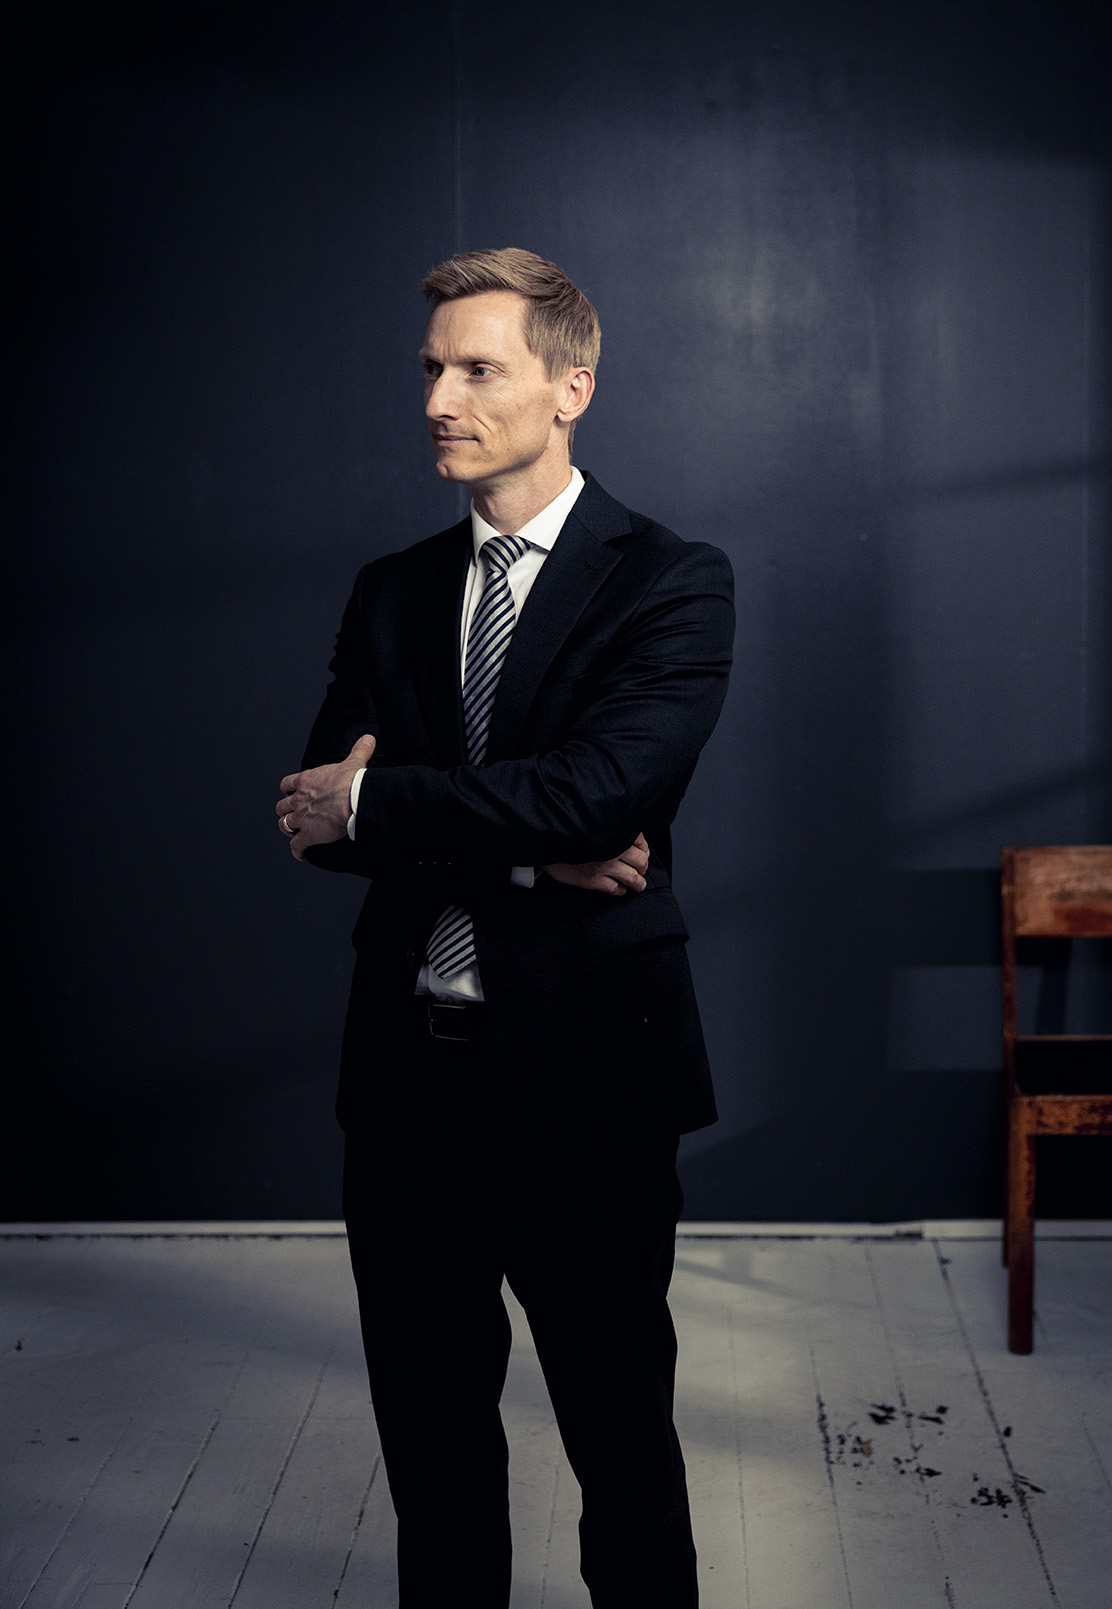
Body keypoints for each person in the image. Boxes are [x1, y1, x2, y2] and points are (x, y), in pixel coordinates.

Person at [274, 247, 734, 1608]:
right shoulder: (393, 588)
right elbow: (316, 819)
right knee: (433, 1448)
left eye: (479, 369)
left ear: (570, 388)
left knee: (620, 1434)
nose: (439, 400)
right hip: (405, 1080)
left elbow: (602, 793)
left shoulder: (671, 580)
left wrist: (393, 802)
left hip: (588, 1081)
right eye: (431, 369)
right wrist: (538, 851)